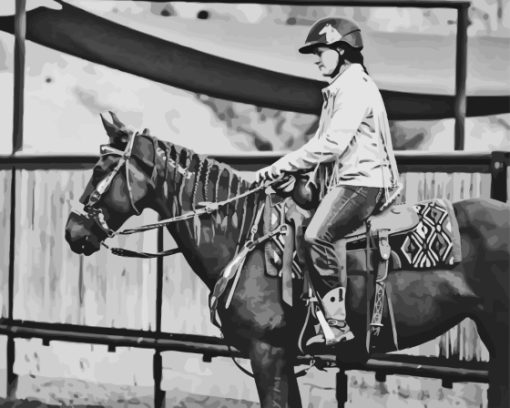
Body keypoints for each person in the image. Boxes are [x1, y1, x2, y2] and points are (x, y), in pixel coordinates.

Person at [256, 17, 400, 346]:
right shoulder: (339, 90)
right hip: (347, 182)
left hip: (364, 183)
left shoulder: (355, 87)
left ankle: (337, 325)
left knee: (316, 235)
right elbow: (326, 159)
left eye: (320, 52)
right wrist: (292, 183)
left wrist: (283, 162)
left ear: (341, 49)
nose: (317, 59)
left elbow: (332, 145)